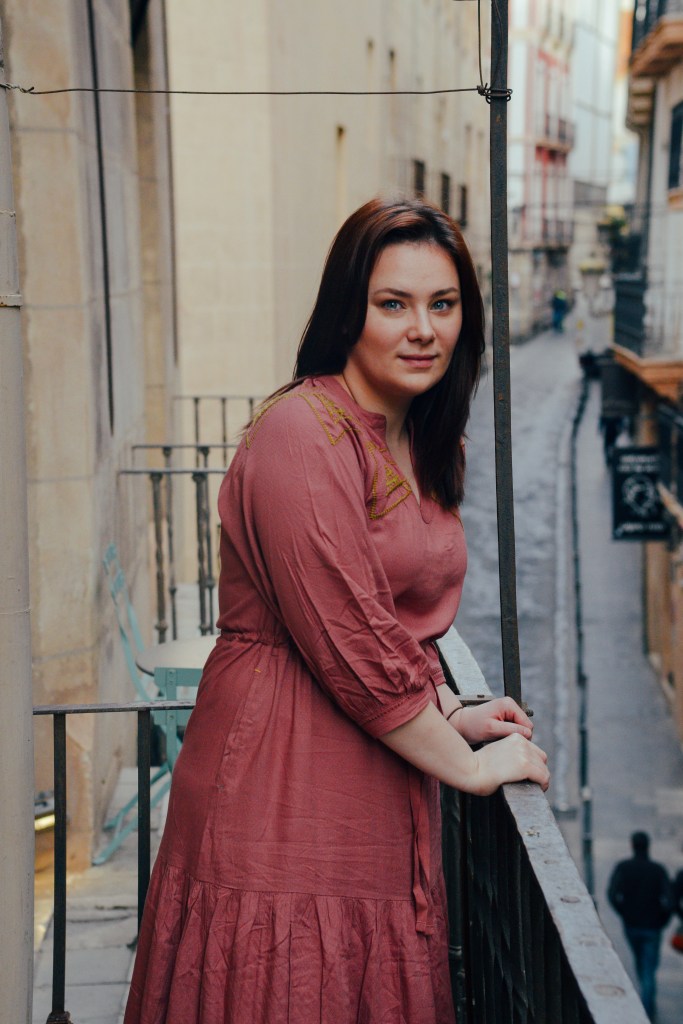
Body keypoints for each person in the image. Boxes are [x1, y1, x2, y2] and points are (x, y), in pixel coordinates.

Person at [124, 196, 550, 1024]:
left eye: (443, 303)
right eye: (392, 304)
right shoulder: (300, 432)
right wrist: (467, 768)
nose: (422, 328)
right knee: (285, 983)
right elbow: (347, 634)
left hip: (374, 762)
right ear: (346, 312)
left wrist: (445, 708)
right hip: (280, 783)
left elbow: (384, 617)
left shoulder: (422, 437)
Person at [607, 831, 673, 1020]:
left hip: (632, 925)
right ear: (647, 846)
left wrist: (624, 912)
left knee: (641, 963)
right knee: (649, 969)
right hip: (652, 927)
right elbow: (669, 900)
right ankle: (647, 1012)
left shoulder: (624, 867)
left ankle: (645, 1008)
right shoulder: (658, 870)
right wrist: (662, 920)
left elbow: (612, 894)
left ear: (632, 845)